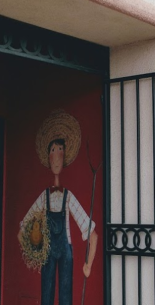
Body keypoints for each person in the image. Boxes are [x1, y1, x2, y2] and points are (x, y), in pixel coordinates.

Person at [18, 110, 97, 305]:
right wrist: (33, 252)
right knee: (46, 295)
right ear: (48, 157)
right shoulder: (43, 198)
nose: (56, 156)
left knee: (65, 297)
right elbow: (22, 229)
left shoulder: (68, 197)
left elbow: (92, 234)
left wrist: (88, 264)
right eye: (53, 150)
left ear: (64, 156)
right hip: (47, 252)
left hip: (66, 252)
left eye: (60, 150)